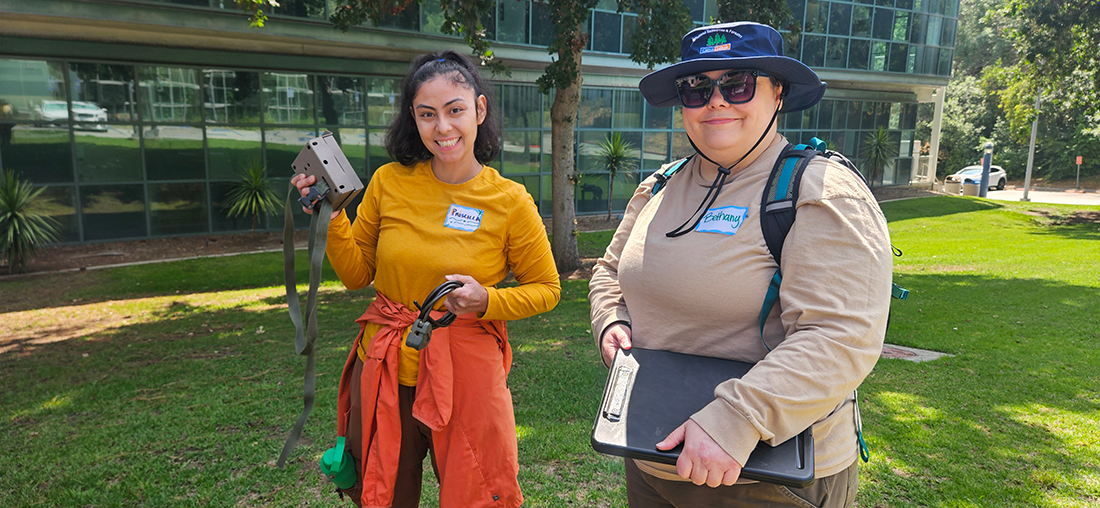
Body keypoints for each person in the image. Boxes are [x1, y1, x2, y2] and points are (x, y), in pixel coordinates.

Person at [588, 21, 893, 507]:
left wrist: (736, 420)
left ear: (778, 94)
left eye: (737, 83)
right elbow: (609, 271)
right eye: (697, 87)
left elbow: (841, 336)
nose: (717, 100)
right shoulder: (659, 186)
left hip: (762, 478)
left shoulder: (819, 191)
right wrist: (611, 321)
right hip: (651, 455)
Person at [293, 50, 560, 508]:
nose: (443, 128)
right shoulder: (389, 183)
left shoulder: (510, 201)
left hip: (465, 373)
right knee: (385, 492)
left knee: (477, 491)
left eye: (455, 110)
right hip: (383, 367)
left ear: (479, 109)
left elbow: (548, 289)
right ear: (413, 120)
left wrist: (485, 300)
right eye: (427, 115)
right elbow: (357, 275)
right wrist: (330, 216)